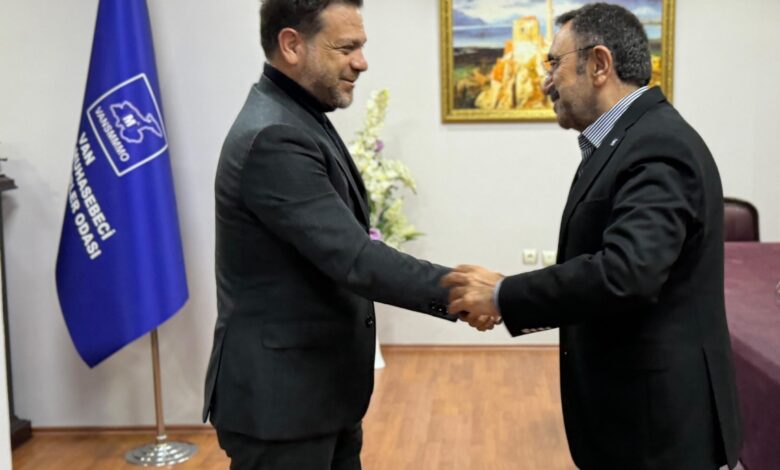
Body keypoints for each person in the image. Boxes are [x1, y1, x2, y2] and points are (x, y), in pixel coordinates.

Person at [443, 4, 742, 469]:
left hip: (658, 430)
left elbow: (626, 273)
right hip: (634, 418)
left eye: (554, 63)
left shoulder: (657, 145)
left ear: (599, 64)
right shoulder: (628, 139)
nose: (546, 82)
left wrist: (504, 294)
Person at [202, 1, 453, 468]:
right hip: (282, 407)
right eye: (346, 47)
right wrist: (460, 290)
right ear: (291, 45)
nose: (362, 62)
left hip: (317, 394)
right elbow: (355, 258)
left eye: (361, 46)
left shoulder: (297, 115)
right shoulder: (274, 135)